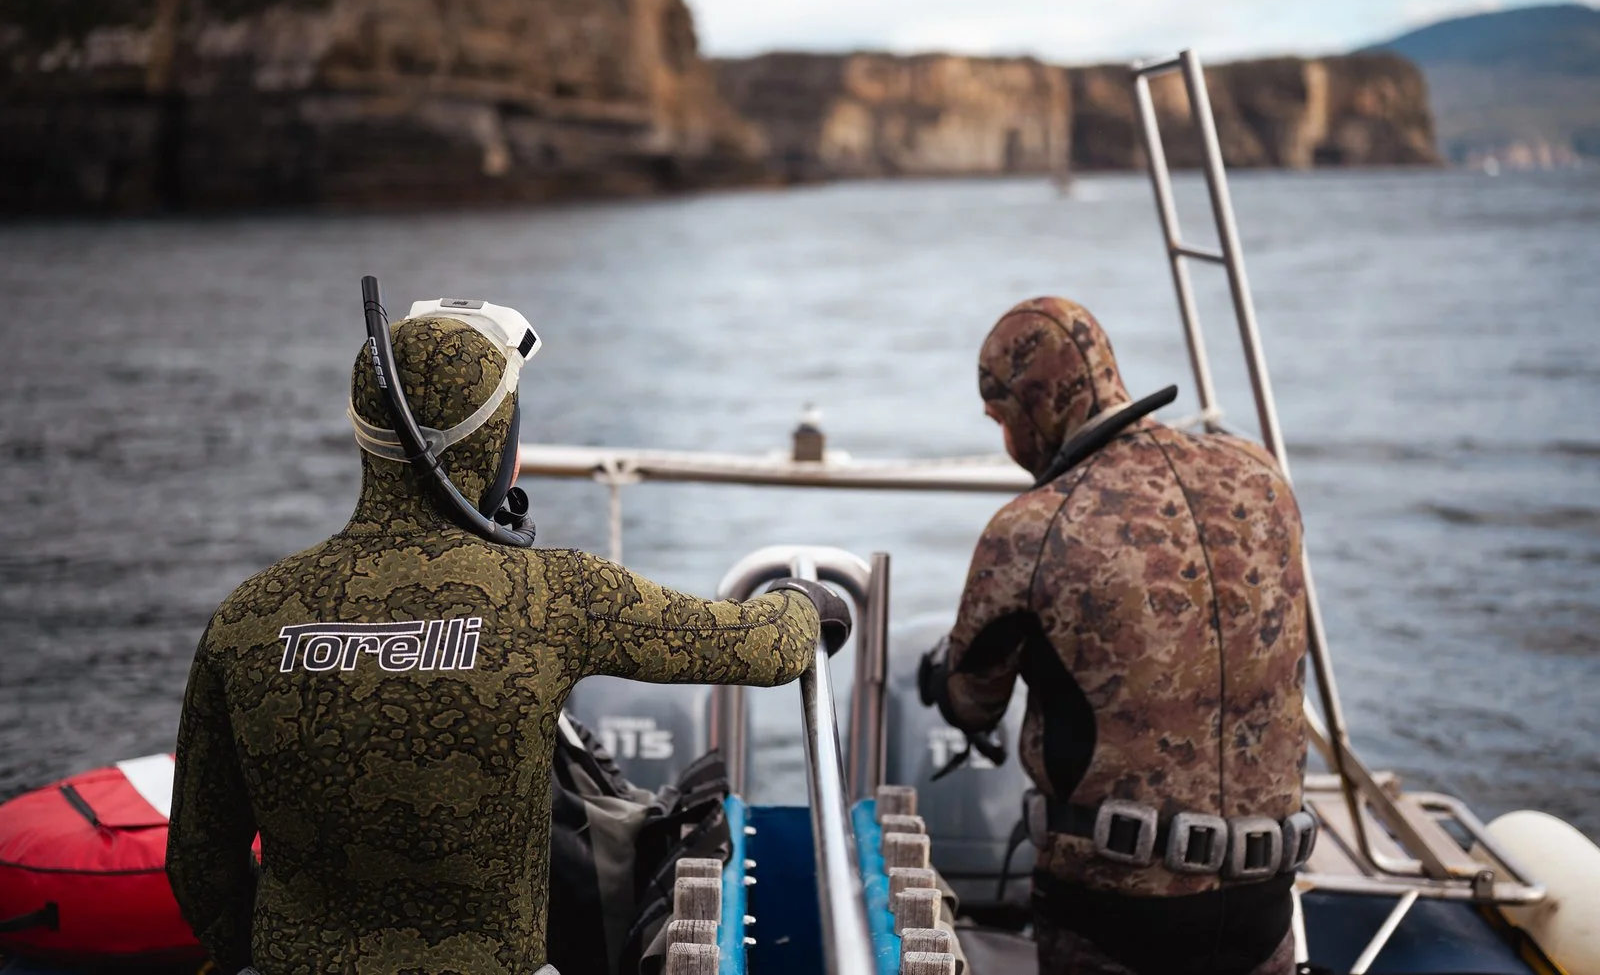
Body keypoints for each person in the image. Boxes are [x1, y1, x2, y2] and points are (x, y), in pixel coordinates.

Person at [166, 286, 849, 975]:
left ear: (363, 435)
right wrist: (800, 597)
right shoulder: (554, 596)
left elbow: (197, 860)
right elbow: (765, 647)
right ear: (503, 450)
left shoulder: (250, 613)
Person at [919, 296, 1310, 975]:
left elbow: (972, 700)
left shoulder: (1031, 528)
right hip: (1265, 903)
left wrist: (940, 675)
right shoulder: (1260, 472)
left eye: (1000, 419)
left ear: (1027, 407)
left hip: (1113, 910)